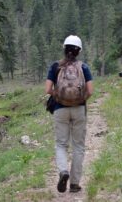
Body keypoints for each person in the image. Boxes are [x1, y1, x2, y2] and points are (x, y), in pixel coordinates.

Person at [45, 35, 93, 193]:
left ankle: (63, 171)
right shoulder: (83, 67)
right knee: (78, 146)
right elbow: (90, 91)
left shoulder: (55, 66)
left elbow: (47, 90)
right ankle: (74, 184)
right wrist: (80, 100)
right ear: (78, 51)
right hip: (79, 110)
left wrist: (59, 97)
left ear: (64, 49)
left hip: (60, 109)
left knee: (61, 144)